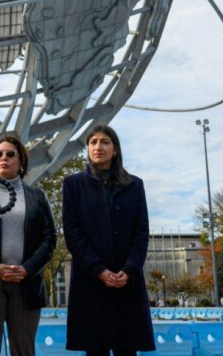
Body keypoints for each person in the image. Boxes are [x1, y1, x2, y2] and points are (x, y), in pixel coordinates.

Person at [62, 125, 155, 356]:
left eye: (105, 142)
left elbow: (141, 232)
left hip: (127, 283)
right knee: (96, 349)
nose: (98, 147)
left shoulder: (134, 185)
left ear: (115, 150)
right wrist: (98, 270)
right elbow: (72, 232)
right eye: (93, 142)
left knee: (127, 349)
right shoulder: (73, 185)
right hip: (91, 281)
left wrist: (130, 269)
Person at [0, 135, 56, 356]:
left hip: (26, 285)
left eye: (10, 154)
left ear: (21, 162)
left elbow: (49, 239)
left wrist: (27, 268)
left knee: (23, 351)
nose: (3, 158)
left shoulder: (38, 197)